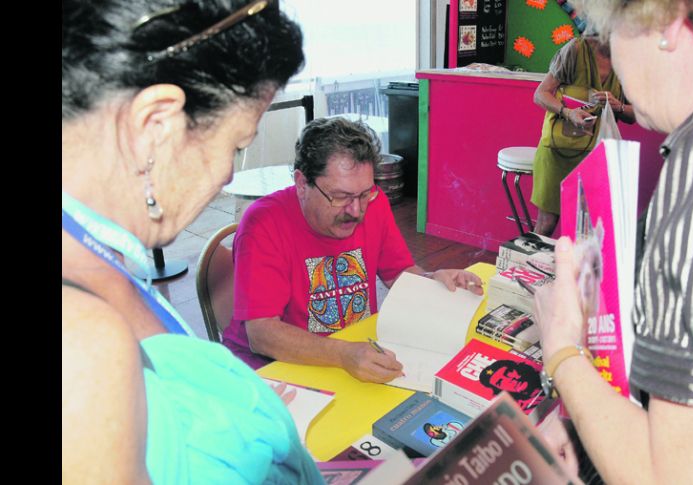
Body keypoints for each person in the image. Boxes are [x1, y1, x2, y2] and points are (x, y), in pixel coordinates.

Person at [62, 1, 325, 483]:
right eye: (236, 145)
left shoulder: (97, 253)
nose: (227, 173)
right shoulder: (78, 346)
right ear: (155, 126)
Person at [533, 0, 693, 483]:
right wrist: (586, 419)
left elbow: (668, 475)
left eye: (613, 37)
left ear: (667, 24)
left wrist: (564, 353)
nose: (618, 67)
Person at [222, 116, 484, 382]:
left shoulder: (375, 203)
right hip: (273, 367)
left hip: (350, 353)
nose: (356, 211)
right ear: (302, 184)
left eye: (363, 194)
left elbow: (399, 273)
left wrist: (431, 279)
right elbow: (261, 334)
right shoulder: (263, 224)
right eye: (341, 197)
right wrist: (343, 354)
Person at [531, 32, 636, 237]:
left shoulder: (626, 59)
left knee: (587, 229)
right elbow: (540, 94)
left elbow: (633, 115)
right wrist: (568, 112)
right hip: (559, 152)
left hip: (596, 156)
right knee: (547, 223)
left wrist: (619, 106)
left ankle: (572, 269)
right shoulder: (576, 50)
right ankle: (530, 267)